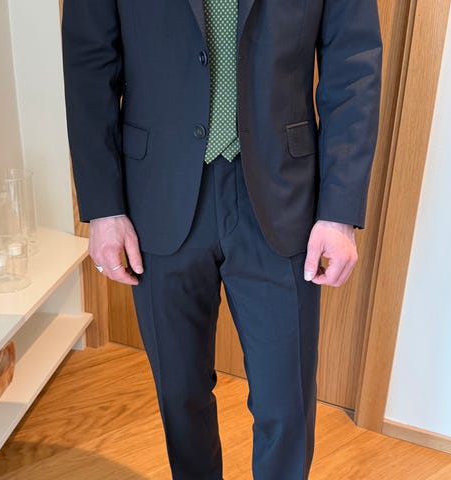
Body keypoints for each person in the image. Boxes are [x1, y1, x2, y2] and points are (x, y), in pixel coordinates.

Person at [62, 1, 382, 478]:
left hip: (282, 194)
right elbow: (89, 63)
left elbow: (353, 65)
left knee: (286, 403)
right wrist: (104, 207)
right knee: (180, 395)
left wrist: (338, 212)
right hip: (158, 195)